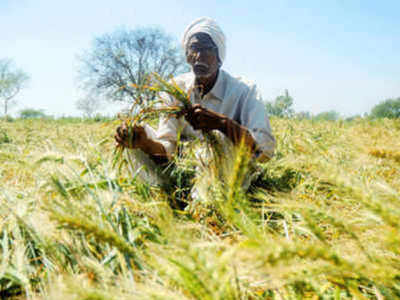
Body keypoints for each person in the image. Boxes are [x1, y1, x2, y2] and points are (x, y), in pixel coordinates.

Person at [115, 17, 276, 184]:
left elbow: (265, 150)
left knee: (220, 140)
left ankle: (209, 204)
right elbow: (168, 148)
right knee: (136, 136)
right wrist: (145, 143)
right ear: (187, 56)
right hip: (184, 174)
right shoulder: (175, 90)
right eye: (193, 48)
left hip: (227, 180)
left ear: (219, 56)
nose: (199, 56)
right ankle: (164, 195)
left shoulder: (244, 91)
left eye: (207, 49)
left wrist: (222, 124)